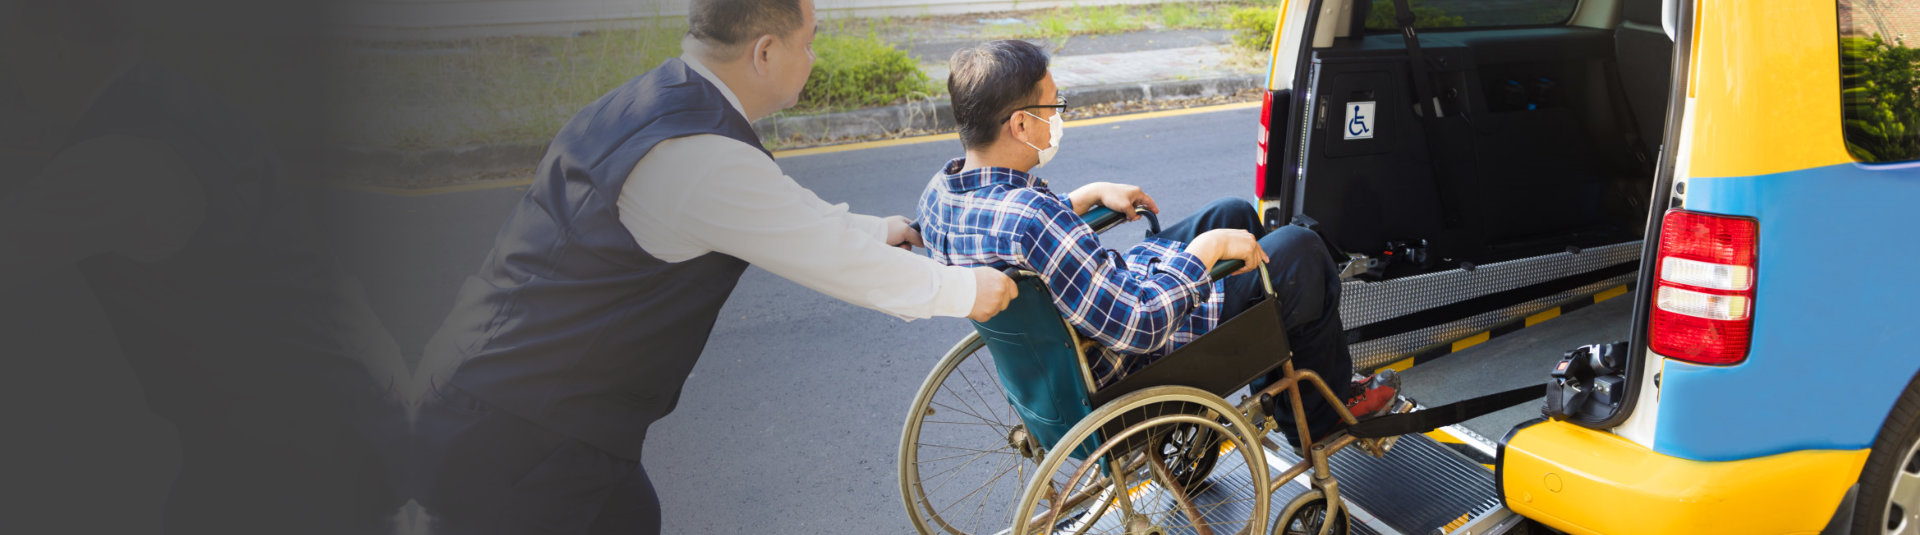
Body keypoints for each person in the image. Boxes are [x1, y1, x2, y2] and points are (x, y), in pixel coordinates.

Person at [409, 0, 1021, 533]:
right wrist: (965, 289)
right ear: (764, 51)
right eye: (808, 43)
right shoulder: (702, 156)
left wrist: (878, 230)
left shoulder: (657, 98)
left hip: (518, 406)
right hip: (519, 442)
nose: (812, 57)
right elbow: (834, 262)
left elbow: (779, 214)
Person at [916, 40, 1400, 449]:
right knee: (1300, 251)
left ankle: (1276, 380)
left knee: (1231, 213)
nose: (1058, 117)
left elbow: (1014, 233)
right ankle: (1321, 421)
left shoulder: (942, 195)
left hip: (1070, 348)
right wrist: (1204, 253)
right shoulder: (1034, 220)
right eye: (1053, 107)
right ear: (1020, 125)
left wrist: (1084, 197)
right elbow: (1139, 325)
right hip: (1129, 362)